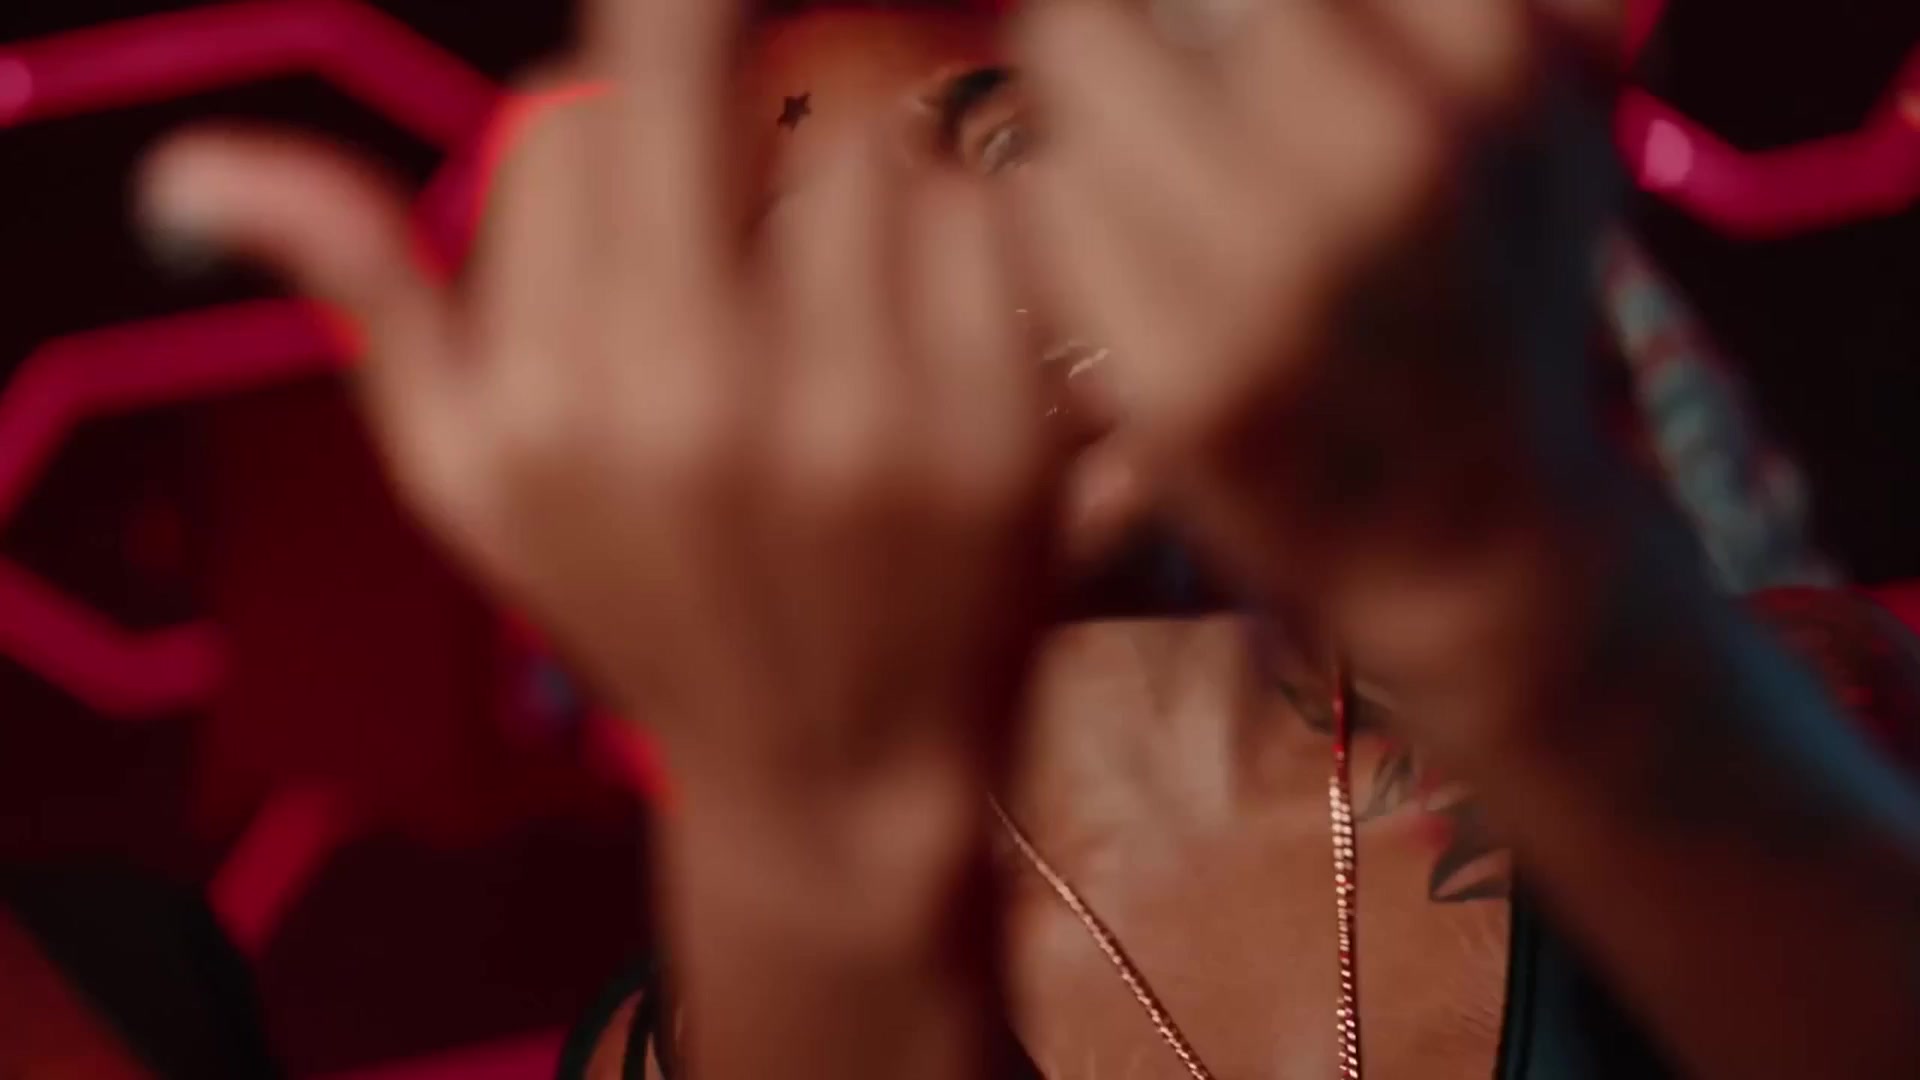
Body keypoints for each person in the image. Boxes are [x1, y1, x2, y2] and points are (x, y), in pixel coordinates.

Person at [134, 1, 1920, 1079]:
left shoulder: (1701, 731)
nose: (963, 206)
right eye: (814, 195)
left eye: (1007, 125)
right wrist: (817, 851)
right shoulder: (696, 1035)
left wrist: (1506, 591)